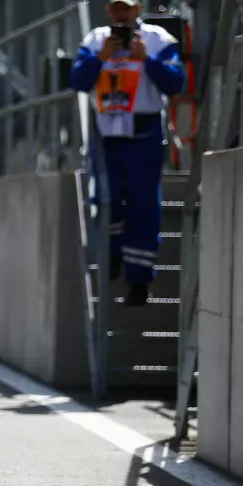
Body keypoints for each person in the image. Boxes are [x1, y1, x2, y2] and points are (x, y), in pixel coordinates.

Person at [69, 0, 186, 305]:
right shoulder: (94, 40)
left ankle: (139, 280)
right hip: (106, 137)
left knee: (143, 206)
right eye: (115, 10)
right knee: (106, 201)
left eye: (126, 10)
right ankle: (111, 257)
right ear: (109, 12)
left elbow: (176, 82)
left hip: (143, 133)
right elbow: (77, 81)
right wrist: (101, 58)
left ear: (137, 10)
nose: (121, 17)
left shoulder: (159, 39)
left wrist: (147, 60)